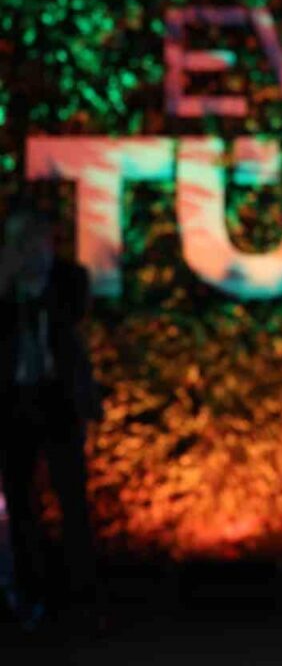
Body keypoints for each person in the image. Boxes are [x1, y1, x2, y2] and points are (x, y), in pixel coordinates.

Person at [0, 199, 100, 629]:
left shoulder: (69, 278)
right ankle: (31, 594)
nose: (28, 247)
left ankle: (80, 595)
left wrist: (37, 280)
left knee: (72, 500)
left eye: (35, 238)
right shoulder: (5, 283)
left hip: (58, 401)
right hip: (13, 405)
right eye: (19, 240)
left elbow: (70, 315)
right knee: (21, 502)